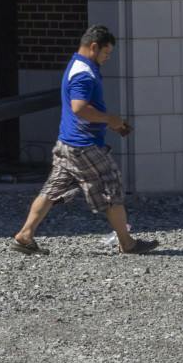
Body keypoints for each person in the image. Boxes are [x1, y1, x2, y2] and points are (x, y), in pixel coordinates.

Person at [12, 24, 158, 256]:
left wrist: (111, 122)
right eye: (106, 52)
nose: (108, 57)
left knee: (51, 191)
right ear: (93, 47)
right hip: (84, 145)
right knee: (112, 187)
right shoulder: (84, 73)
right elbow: (79, 108)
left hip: (67, 144)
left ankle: (25, 235)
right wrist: (110, 119)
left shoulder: (77, 65)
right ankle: (127, 243)